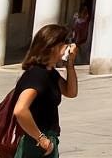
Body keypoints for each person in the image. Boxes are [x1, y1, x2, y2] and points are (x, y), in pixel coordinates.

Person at [11, 23, 79, 157]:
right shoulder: (37, 74)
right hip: (35, 144)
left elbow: (71, 92)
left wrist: (70, 64)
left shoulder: (50, 73)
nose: (68, 47)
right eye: (65, 43)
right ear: (53, 46)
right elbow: (20, 110)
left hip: (45, 141)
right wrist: (41, 139)